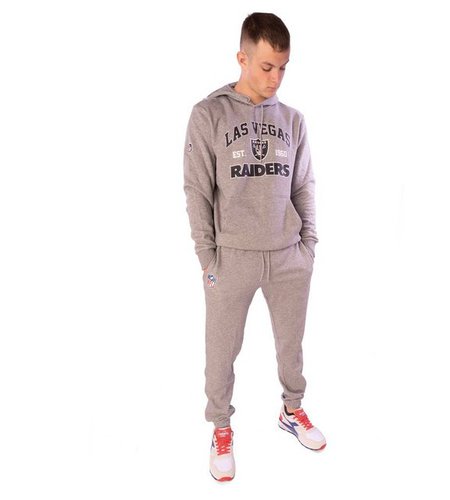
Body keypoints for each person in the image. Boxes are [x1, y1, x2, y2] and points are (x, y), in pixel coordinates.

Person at [183, 12, 326, 482]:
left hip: (288, 255)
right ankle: (221, 427)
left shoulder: (293, 120)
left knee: (291, 345)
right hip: (232, 257)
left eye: (283, 67)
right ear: (242, 58)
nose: (275, 78)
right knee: (221, 351)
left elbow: (303, 186)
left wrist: (308, 245)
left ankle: (292, 409)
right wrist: (208, 259)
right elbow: (198, 191)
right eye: (266, 66)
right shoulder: (209, 115)